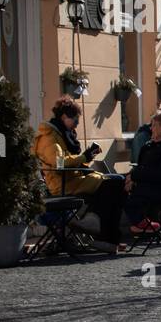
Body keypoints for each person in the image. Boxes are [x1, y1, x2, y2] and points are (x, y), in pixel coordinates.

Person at [33, 95, 126, 253]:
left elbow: (70, 162)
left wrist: (86, 158)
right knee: (115, 184)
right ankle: (103, 232)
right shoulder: (49, 138)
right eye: (75, 121)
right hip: (62, 186)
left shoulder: (62, 134)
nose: (76, 125)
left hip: (74, 180)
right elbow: (59, 163)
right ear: (64, 117)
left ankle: (100, 228)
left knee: (116, 184)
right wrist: (84, 157)